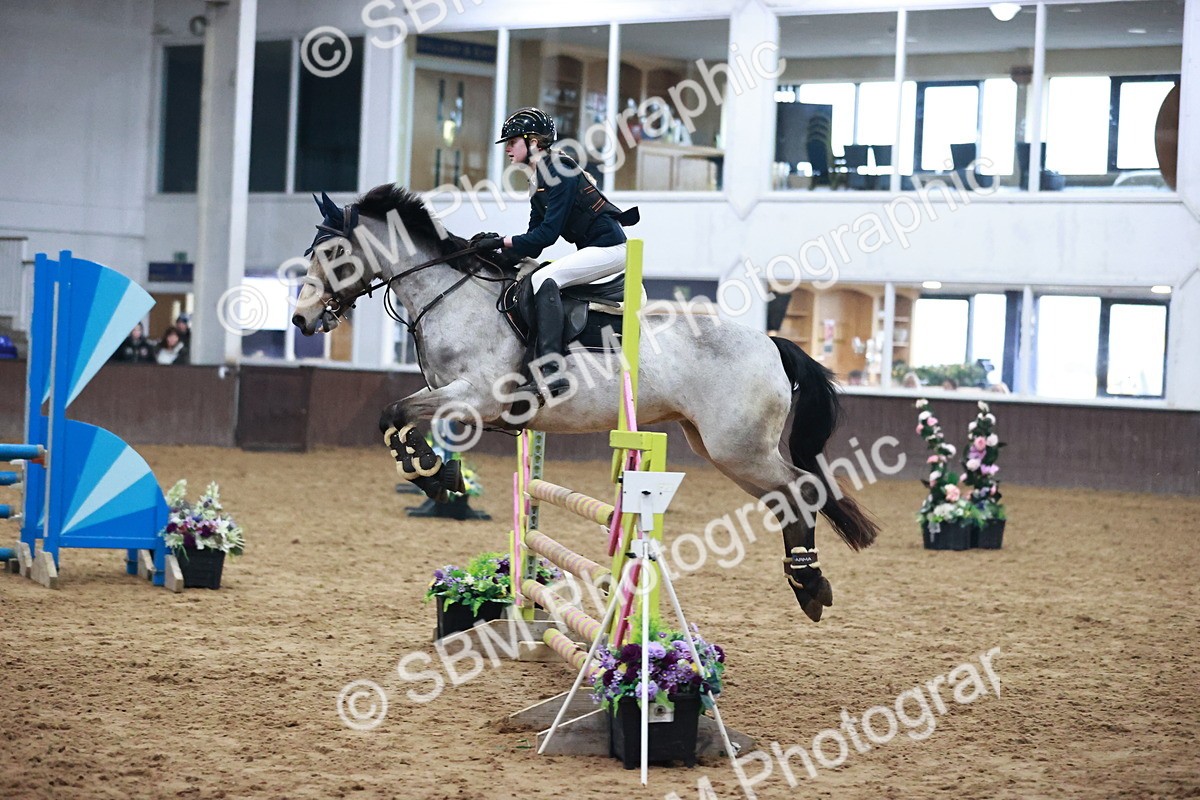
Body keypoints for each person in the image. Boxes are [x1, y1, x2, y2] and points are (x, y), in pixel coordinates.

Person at [472, 106, 638, 400]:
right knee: (535, 274)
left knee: (544, 279)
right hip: (595, 249)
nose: (508, 148)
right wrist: (495, 251)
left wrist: (502, 240)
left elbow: (548, 233)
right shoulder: (538, 180)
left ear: (534, 142)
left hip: (611, 249)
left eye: (513, 141)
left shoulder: (559, 170)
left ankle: (552, 371)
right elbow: (536, 243)